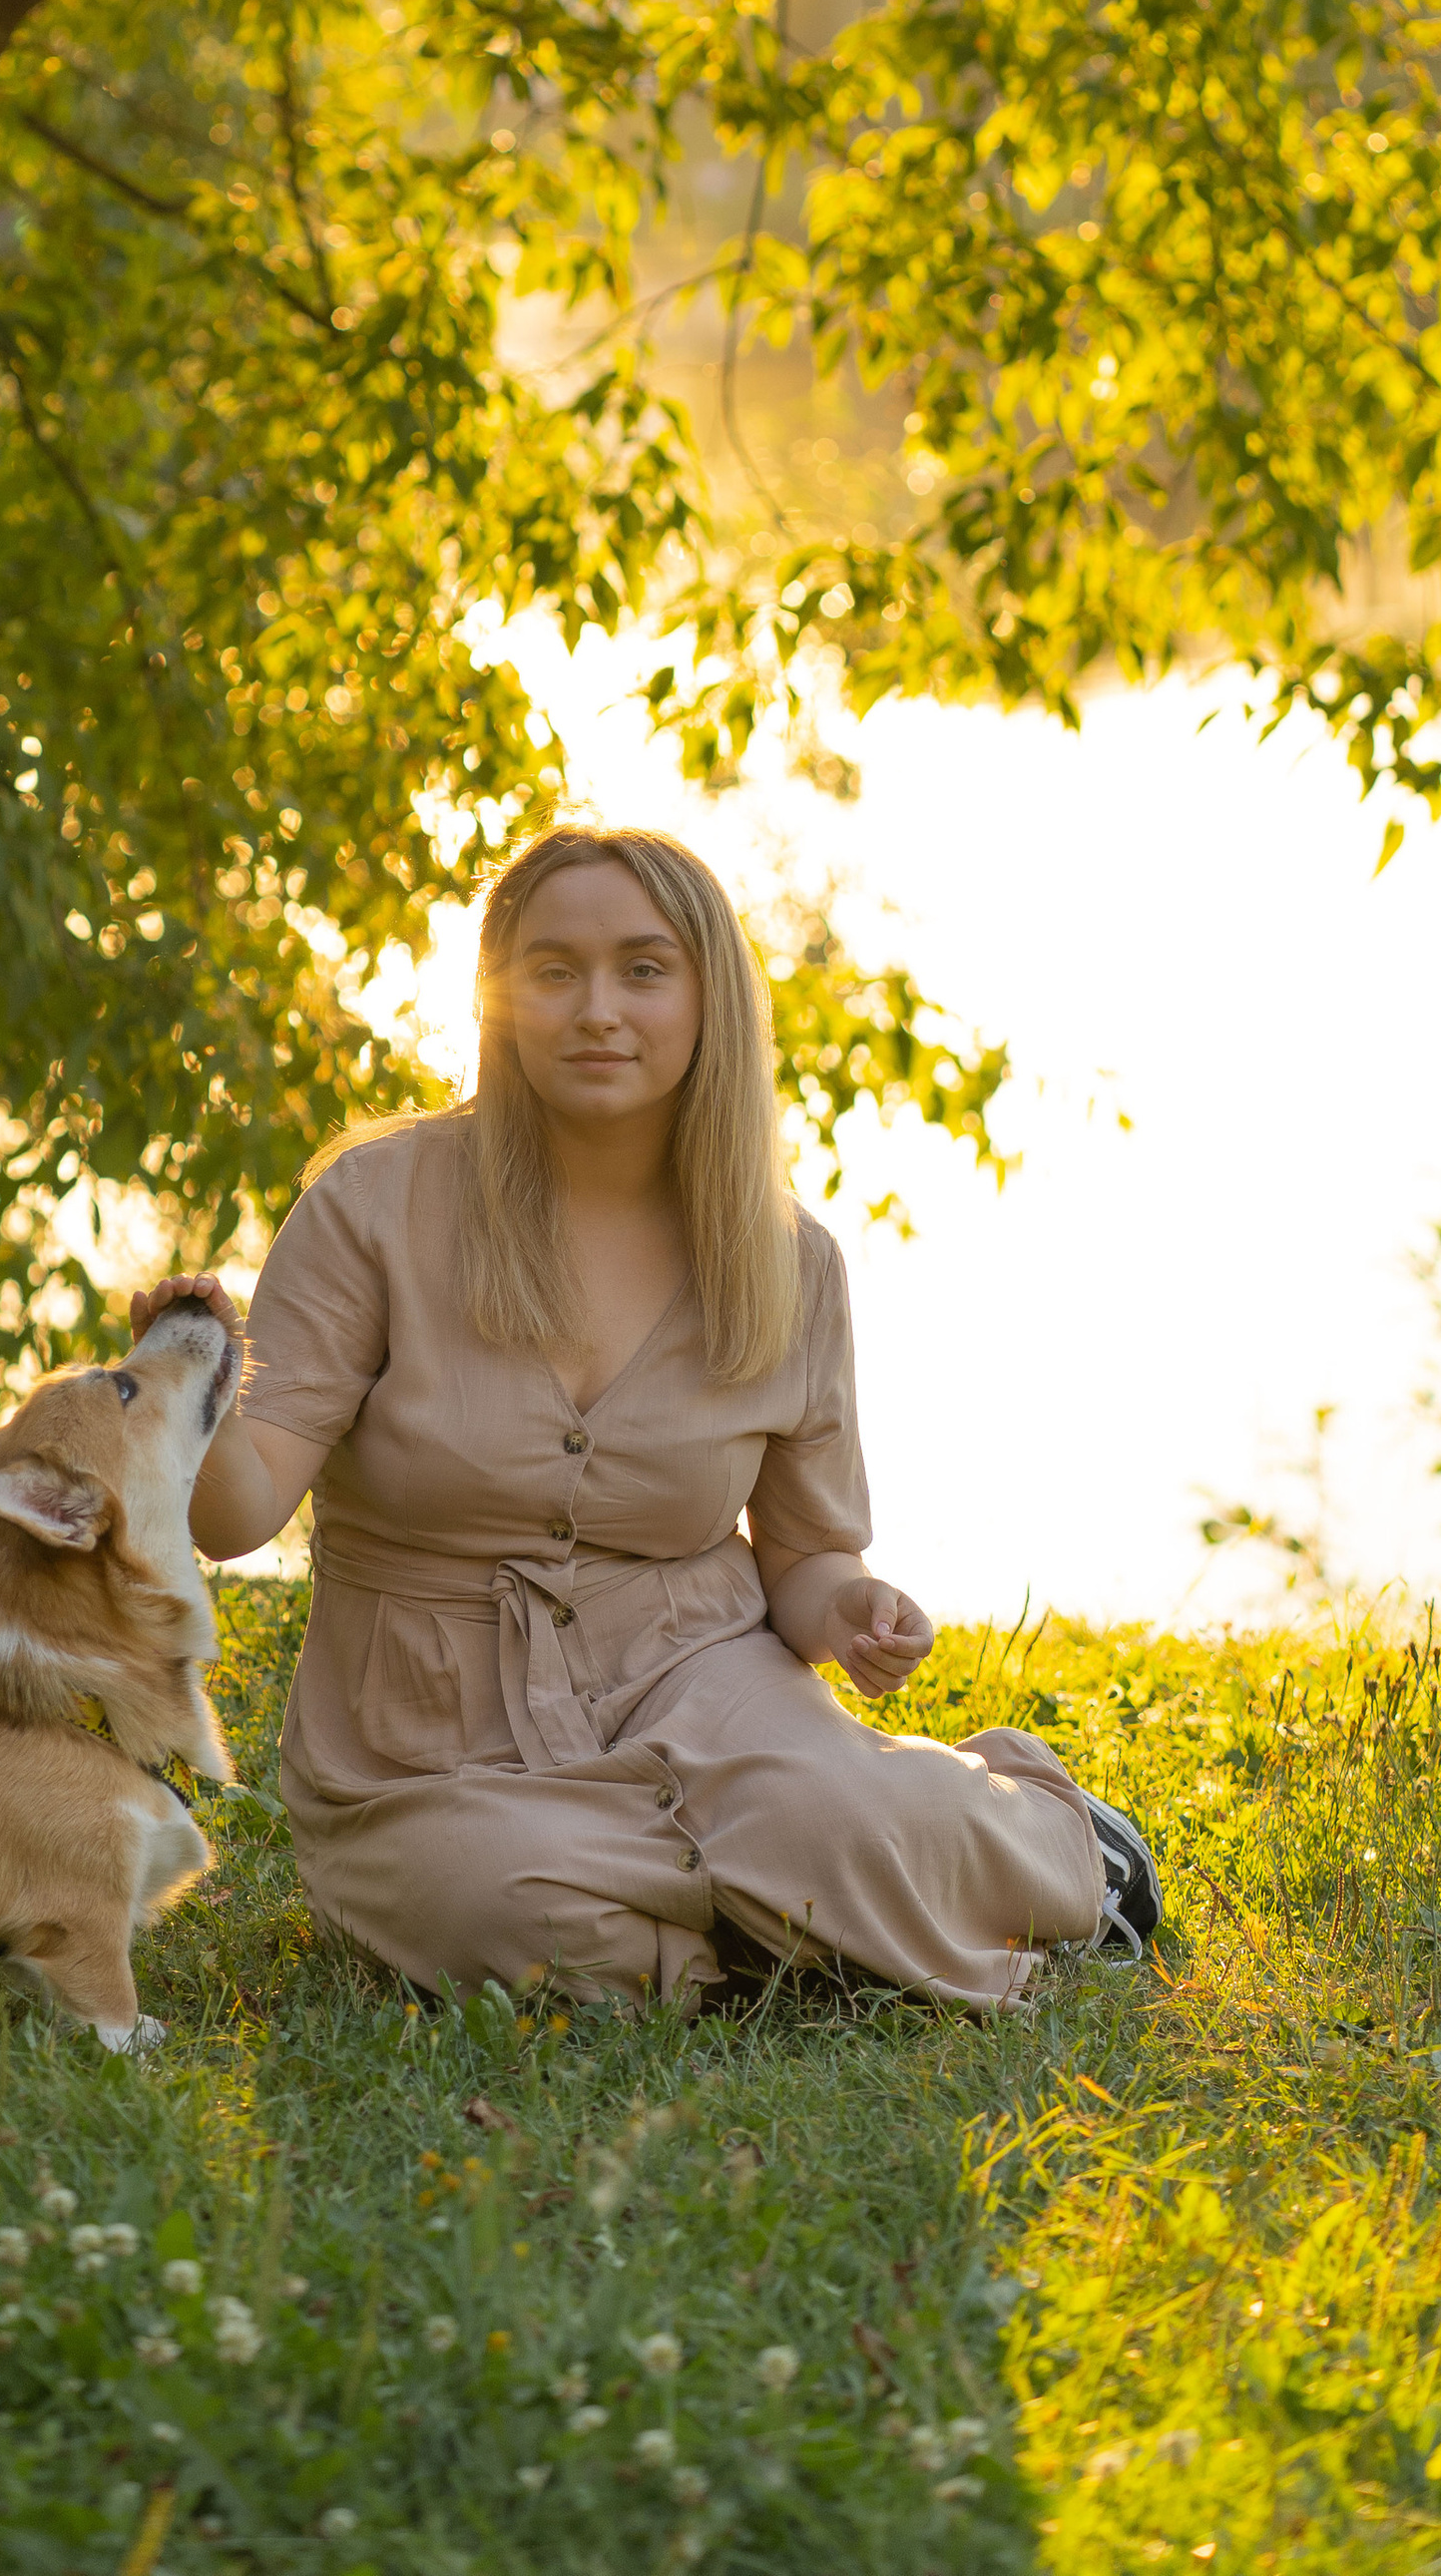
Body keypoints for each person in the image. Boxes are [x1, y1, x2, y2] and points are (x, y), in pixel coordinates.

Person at [130, 824, 1158, 2012]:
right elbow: (239, 1515)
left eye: (643, 968)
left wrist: (852, 1607)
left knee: (840, 1828)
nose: (596, 1008)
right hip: (428, 1737)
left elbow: (810, 1556)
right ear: (500, 1000)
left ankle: (1052, 1844)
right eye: (552, 971)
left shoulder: (790, 1261)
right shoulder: (374, 1204)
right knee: (508, 1909)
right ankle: (806, 1929)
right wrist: (184, 1399)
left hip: (700, 1681)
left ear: (707, 997)